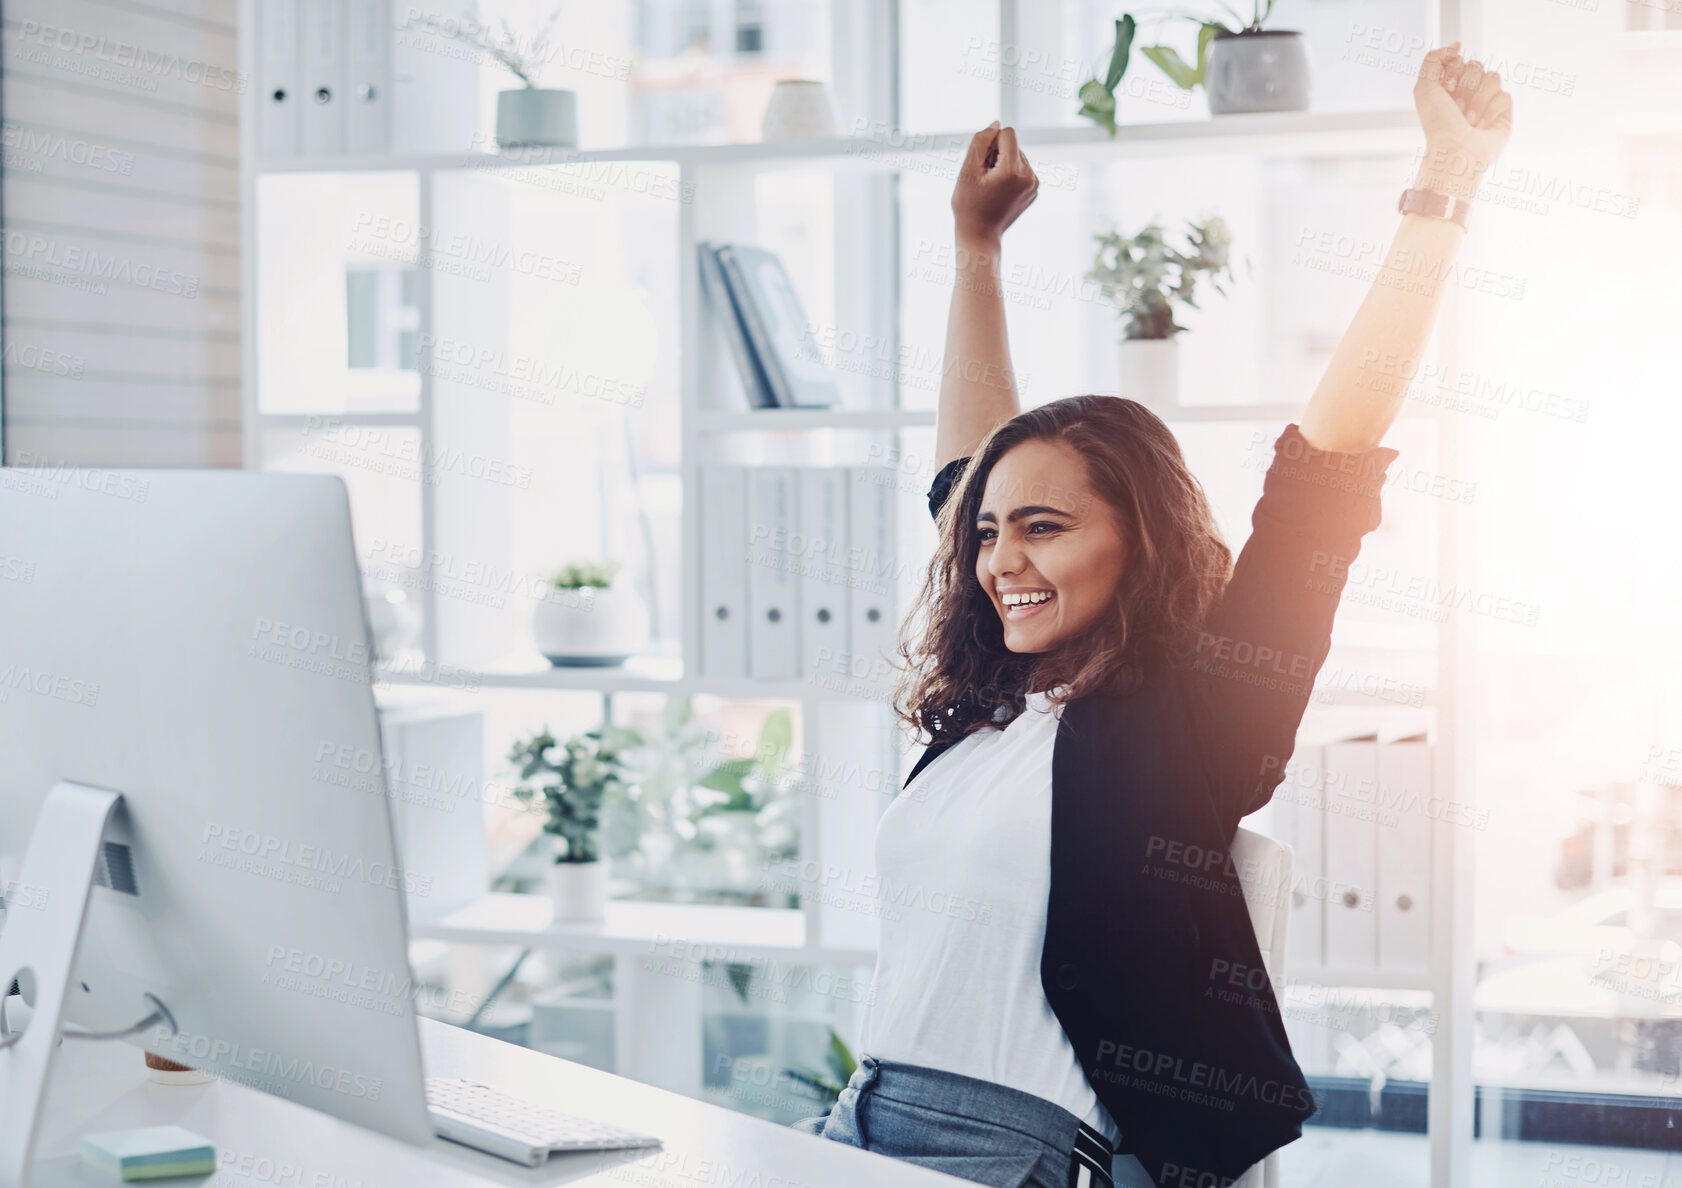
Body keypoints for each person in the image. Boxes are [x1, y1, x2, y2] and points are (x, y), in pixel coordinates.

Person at [789, 45, 1512, 1188]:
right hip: (856, 1119)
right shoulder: (986, 708)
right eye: (988, 533)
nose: (997, 561)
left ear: (1140, 540)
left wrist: (1442, 185)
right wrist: (975, 254)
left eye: (1044, 529)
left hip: (1015, 1157)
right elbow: (962, 473)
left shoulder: (1192, 721)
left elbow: (1321, 473)